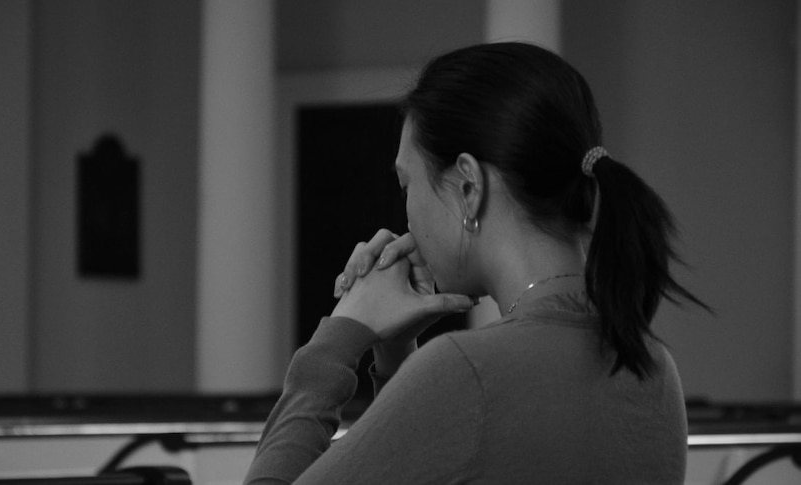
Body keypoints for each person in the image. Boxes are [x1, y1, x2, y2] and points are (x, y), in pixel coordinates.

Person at [244, 42, 708, 484]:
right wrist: (396, 355)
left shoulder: (464, 373)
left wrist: (340, 336)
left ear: (469, 186)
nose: (405, 212)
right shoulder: (654, 368)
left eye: (407, 186)